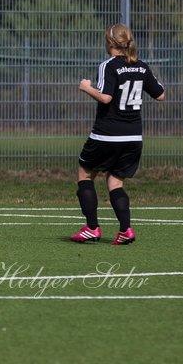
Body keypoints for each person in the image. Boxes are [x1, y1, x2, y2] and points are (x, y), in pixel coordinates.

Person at [69, 23, 166, 246]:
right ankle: (125, 230)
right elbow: (160, 95)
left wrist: (86, 87)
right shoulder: (141, 66)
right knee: (115, 182)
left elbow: (105, 98)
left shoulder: (109, 66)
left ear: (110, 43)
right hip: (133, 138)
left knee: (85, 173)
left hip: (107, 134)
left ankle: (92, 228)